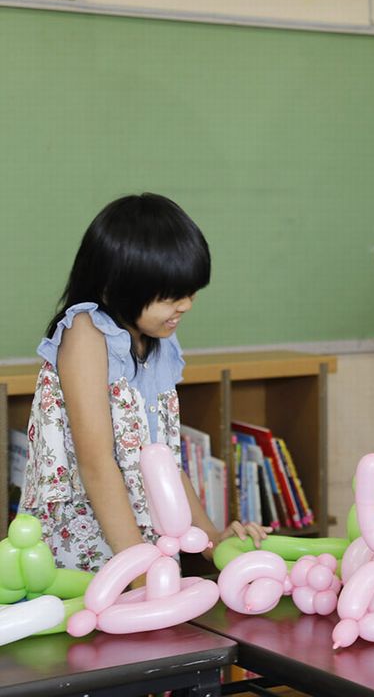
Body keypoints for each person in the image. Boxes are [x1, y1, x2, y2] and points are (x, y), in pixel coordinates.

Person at [20, 193, 269, 572]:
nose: (186, 305)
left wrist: (212, 540)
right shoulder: (87, 332)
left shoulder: (159, 341)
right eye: (171, 296)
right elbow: (97, 464)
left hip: (140, 547)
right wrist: (138, 570)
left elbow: (167, 464)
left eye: (191, 292)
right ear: (120, 285)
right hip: (85, 548)